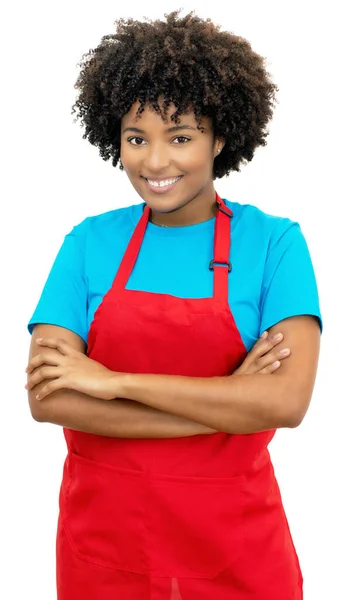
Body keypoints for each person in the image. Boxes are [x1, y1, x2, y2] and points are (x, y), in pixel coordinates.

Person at [25, 9, 322, 600]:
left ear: (220, 137)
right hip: (105, 552)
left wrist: (112, 382)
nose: (154, 163)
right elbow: (49, 398)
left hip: (235, 549)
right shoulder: (88, 242)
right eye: (136, 138)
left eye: (180, 137)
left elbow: (284, 402)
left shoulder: (274, 243)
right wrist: (228, 405)